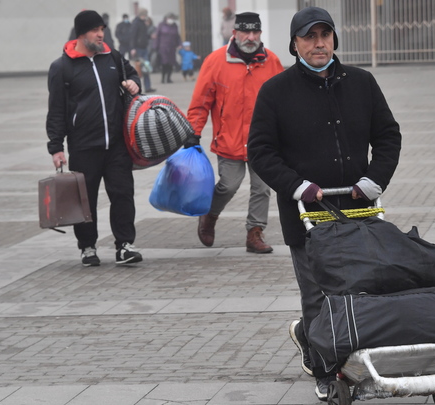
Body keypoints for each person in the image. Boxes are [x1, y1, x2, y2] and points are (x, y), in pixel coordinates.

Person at [247, 6, 402, 401]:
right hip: (307, 215)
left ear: (334, 39)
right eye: (310, 37)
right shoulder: (276, 91)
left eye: (325, 35)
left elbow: (387, 136)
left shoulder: (362, 83)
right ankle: (325, 367)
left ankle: (350, 351)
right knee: (318, 294)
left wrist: (373, 179)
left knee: (362, 289)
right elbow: (261, 152)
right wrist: (298, 186)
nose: (319, 44)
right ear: (295, 43)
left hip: (359, 209)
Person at [46, 10, 144, 267]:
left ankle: (124, 245)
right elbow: (56, 109)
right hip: (84, 146)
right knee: (84, 200)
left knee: (123, 194)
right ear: (82, 33)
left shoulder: (112, 57)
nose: (101, 34)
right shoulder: (62, 67)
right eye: (95, 30)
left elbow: (131, 76)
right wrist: (56, 147)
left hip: (117, 144)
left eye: (102, 29)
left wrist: (134, 83)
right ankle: (88, 247)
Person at [186, 12, 284, 254]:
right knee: (229, 185)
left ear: (260, 34)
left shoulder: (272, 62)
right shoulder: (215, 61)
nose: (250, 37)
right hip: (228, 139)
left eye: (255, 32)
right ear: (234, 33)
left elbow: (286, 102)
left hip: (263, 142)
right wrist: (192, 132)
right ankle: (210, 214)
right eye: (245, 32)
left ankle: (255, 232)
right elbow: (201, 102)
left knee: (262, 188)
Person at [129, 8, 155, 92]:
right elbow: (132, 36)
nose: (145, 16)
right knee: (139, 69)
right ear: (141, 15)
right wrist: (132, 48)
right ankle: (137, 87)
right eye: (144, 15)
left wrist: (149, 37)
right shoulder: (135, 23)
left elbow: (144, 35)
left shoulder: (143, 23)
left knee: (146, 68)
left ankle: (148, 87)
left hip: (144, 48)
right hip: (138, 49)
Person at [154, 13, 182, 84]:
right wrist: (155, 46)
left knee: (171, 63)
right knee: (164, 63)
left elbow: (177, 36)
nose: (171, 20)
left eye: (172, 18)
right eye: (170, 18)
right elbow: (157, 36)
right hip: (163, 47)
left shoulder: (174, 26)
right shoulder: (161, 25)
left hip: (172, 47)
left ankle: (169, 78)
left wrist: (179, 44)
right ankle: (163, 78)